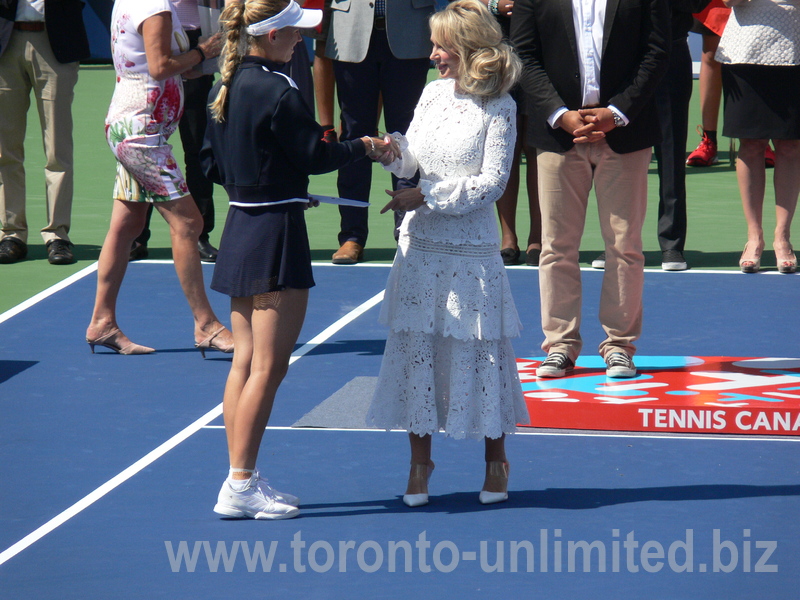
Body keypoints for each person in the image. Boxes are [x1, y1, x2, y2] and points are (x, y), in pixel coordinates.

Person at [200, 0, 396, 519]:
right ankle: (240, 484)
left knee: (246, 360)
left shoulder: (226, 85)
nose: (299, 41)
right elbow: (315, 155)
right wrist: (367, 147)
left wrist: (272, 188)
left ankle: (239, 479)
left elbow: (210, 161)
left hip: (244, 227)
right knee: (268, 364)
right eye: (291, 32)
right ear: (266, 36)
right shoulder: (279, 89)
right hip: (275, 240)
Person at [367, 0, 528, 507]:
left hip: (471, 253)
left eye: (442, 47)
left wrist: (427, 195)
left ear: (469, 50)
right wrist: (393, 152)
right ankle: (419, 463)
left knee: (482, 356)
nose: (433, 54)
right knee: (419, 353)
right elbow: (414, 157)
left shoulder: (500, 106)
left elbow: (492, 182)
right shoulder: (433, 94)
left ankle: (496, 461)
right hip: (419, 249)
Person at [511, 0, 670, 379]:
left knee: (625, 244)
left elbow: (658, 50)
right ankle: (560, 347)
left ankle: (619, 347)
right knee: (556, 245)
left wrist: (616, 114)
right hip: (557, 135)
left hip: (625, 132)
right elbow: (522, 55)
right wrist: (558, 114)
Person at [85, 0, 234, 356]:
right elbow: (160, 65)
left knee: (127, 222)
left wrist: (198, 62)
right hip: (142, 134)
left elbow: (155, 66)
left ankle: (102, 322)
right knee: (188, 222)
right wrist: (201, 53)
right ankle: (207, 326)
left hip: (135, 126)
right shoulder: (154, 7)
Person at [325, 0, 435, 264]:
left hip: (410, 27)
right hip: (351, 31)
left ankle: (407, 231)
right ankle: (352, 236)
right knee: (354, 136)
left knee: (408, 137)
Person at [129, 0, 222, 263]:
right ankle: (136, 236)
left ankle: (199, 236)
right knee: (143, 148)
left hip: (195, 39)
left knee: (198, 149)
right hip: (154, 33)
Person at [0, 0, 90, 265]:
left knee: (57, 148)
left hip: (56, 43)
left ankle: (57, 235)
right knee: (5, 149)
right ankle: (11, 234)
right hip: (6, 40)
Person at [716, 0, 800, 274]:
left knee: (789, 145)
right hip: (745, 52)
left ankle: (782, 238)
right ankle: (754, 238)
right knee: (751, 145)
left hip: (794, 48)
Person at [481, 0, 542, 267]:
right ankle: (508, 238)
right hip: (496, 48)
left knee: (538, 147)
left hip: (544, 46)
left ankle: (538, 238)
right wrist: (495, 3)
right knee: (505, 147)